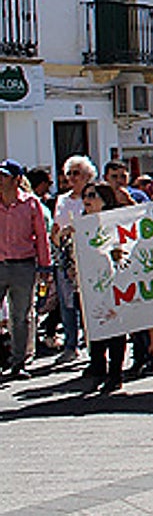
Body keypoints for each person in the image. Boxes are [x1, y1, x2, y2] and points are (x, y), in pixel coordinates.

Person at [75, 182, 131, 393]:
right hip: (90, 285)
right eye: (85, 196)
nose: (87, 200)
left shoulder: (114, 222)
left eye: (92, 195)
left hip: (113, 282)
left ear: (105, 200)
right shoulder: (80, 224)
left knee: (115, 328)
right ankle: (98, 367)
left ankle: (115, 373)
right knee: (93, 326)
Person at [0, 159, 52, 380]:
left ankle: (18, 362)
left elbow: (41, 235)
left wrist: (45, 266)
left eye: (4, 176)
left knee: (20, 317)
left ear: (16, 180)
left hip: (23, 265)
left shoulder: (31, 203)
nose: (0, 180)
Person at [51, 155, 96, 365]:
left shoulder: (93, 196)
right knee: (67, 303)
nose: (72, 177)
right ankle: (71, 345)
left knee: (88, 303)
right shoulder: (62, 200)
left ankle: (93, 344)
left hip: (89, 255)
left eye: (76, 173)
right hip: (66, 255)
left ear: (87, 175)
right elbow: (56, 227)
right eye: (69, 173)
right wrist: (58, 239)